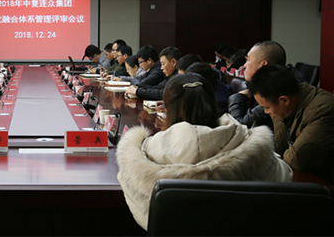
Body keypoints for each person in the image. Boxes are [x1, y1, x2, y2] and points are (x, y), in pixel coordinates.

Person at [116, 73, 292, 231]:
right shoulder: (253, 149)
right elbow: (284, 178)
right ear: (212, 103)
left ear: (167, 108)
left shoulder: (141, 156)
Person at [249, 65, 334, 183]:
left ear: (284, 100)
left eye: (267, 107)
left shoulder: (323, 110)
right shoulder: (284, 106)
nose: (266, 112)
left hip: (324, 183)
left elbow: (297, 160)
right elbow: (280, 147)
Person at [228, 41, 296, 129]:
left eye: (248, 60)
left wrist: (238, 97)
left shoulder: (273, 93)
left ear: (263, 65)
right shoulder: (270, 84)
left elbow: (239, 126)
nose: (244, 65)